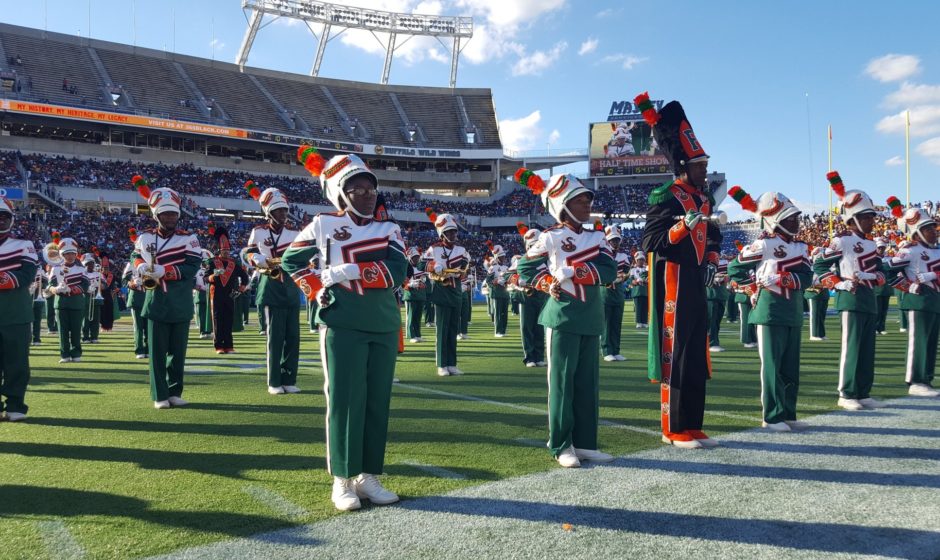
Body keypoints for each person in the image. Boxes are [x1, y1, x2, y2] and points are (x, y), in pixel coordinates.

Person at [281, 151, 407, 512]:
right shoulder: (322, 224)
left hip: (382, 323)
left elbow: (399, 269)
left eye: (370, 188)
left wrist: (350, 270)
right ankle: (342, 478)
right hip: (341, 322)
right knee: (343, 401)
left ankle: (368, 475)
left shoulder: (390, 229)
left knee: (376, 402)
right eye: (357, 189)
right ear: (340, 193)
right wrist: (316, 285)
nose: (368, 194)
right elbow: (291, 260)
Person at [636, 92, 722, 449]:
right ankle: (673, 427)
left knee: (697, 355)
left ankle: (694, 423)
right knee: (677, 354)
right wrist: (681, 228)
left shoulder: (704, 199)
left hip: (697, 280)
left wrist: (713, 264)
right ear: (684, 166)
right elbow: (649, 241)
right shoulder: (665, 196)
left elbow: (714, 236)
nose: (705, 170)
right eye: (700, 165)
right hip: (671, 283)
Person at [516, 170, 617, 468]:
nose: (587, 204)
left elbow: (610, 271)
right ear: (563, 205)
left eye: (588, 199)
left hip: (590, 317)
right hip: (561, 317)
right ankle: (560, 444)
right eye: (580, 199)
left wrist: (575, 272)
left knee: (588, 384)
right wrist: (547, 282)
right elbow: (524, 268)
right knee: (561, 383)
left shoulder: (597, 236)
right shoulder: (550, 237)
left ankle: (585, 443)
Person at [728, 188, 813, 432]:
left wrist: (784, 278)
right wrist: (752, 288)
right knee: (773, 366)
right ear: (776, 221)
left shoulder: (801, 247)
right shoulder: (762, 244)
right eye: (790, 218)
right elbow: (735, 269)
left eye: (796, 217)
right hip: (770, 310)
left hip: (793, 310)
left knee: (790, 367)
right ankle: (772, 416)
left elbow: (807, 278)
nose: (796, 221)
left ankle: (789, 413)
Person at [813, 172, 894, 411]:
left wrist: (874, 276)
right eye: (867, 217)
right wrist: (838, 283)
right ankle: (846, 392)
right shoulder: (841, 241)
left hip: (869, 298)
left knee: (868, 348)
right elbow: (820, 265)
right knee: (852, 346)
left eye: (871, 217)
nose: (872, 221)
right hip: (850, 298)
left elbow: (882, 273)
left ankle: (863, 391)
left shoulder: (871, 243)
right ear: (853, 218)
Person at [130, 176, 202, 409]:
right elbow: (135, 255)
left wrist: (166, 270)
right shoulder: (145, 237)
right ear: (156, 216)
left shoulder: (189, 238)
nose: (170, 217)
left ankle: (175, 391)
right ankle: (159, 395)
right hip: (156, 301)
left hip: (180, 301)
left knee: (178, 353)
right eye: (165, 214)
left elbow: (192, 267)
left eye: (173, 214)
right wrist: (140, 264)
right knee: (157, 353)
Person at [245, 184, 302, 395]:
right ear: (269, 212)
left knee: (293, 338)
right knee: (275, 339)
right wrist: (255, 258)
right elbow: (246, 252)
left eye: (285, 210)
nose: (283, 214)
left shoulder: (295, 232)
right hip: (270, 287)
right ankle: (274, 381)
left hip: (290, 287)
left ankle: (289, 378)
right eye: (278, 210)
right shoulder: (258, 232)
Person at [887, 205, 940, 397]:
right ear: (916, 234)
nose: (933, 232)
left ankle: (926, 378)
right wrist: (909, 286)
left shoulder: (937, 250)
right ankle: (915, 381)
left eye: (933, 228)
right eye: (927, 229)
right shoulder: (910, 251)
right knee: (919, 341)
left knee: (931, 342)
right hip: (918, 302)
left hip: (935, 301)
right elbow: (888, 270)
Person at [0, 198, 38, 421]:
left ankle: (15, 405)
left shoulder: (23, 245)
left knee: (17, 364)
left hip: (16, 314)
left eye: (5, 217)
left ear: (12, 220)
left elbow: (27, 275)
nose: (1, 221)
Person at [420, 208, 469, 376]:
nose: (453, 235)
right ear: (442, 234)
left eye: (454, 231)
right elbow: (421, 265)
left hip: (456, 290)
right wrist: (434, 266)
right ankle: (442, 364)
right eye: (449, 232)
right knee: (442, 330)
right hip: (441, 290)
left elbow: (465, 268)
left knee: (453, 330)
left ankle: (452, 364)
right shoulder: (433, 249)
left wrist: (462, 270)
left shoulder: (461, 250)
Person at [207, 226, 248, 354]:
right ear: (220, 250)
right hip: (217, 294)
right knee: (218, 321)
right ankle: (219, 346)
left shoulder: (233, 263)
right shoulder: (213, 262)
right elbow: (205, 277)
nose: (226, 252)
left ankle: (229, 345)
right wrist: (214, 276)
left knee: (229, 320)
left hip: (230, 295)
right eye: (224, 250)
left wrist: (241, 288)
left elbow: (244, 276)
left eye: (228, 250)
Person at [512, 224, 546, 367]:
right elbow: (508, 275)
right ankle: (529, 357)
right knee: (527, 328)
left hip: (542, 296)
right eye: (532, 245)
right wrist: (518, 281)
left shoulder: (546, 261)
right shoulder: (520, 259)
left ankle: (539, 356)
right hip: (526, 297)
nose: (534, 248)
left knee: (540, 328)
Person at [51, 237, 88, 363]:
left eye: (72, 253)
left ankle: (76, 353)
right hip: (61, 303)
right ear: (62, 255)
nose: (70, 256)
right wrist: (56, 289)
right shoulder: (55, 269)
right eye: (67, 254)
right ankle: (64, 354)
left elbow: (85, 285)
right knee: (63, 331)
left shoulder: (82, 269)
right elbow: (49, 286)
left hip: (76, 303)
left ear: (76, 254)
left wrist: (71, 290)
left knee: (76, 330)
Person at [601, 225, 629, 362]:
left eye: (617, 240)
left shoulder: (623, 256)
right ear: (607, 241)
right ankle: (607, 350)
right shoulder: (602, 255)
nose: (615, 242)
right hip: (605, 292)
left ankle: (616, 350)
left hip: (618, 292)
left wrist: (623, 277)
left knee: (617, 323)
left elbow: (626, 272)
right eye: (612, 240)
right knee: (607, 322)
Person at [122, 240, 149, 359]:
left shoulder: (152, 262)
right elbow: (123, 280)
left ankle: (149, 349)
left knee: (149, 326)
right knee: (138, 326)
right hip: (136, 297)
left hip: (149, 296)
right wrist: (131, 283)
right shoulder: (131, 264)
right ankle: (139, 350)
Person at [804, 246, 829, 341]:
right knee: (814, 314)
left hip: (824, 291)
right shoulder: (809, 266)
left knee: (822, 314)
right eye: (818, 255)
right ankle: (814, 334)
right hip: (813, 292)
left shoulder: (826, 266)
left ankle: (821, 334)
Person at [403, 247, 427, 343]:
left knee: (418, 317)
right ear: (409, 258)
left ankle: (418, 334)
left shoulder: (421, 267)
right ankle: (411, 335)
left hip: (420, 295)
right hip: (410, 295)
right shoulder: (406, 267)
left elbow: (425, 279)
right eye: (414, 257)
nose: (416, 259)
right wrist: (411, 284)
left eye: (417, 257)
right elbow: (403, 282)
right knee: (411, 316)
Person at [485, 242, 509, 338]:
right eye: (501, 257)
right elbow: (488, 281)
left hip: (505, 293)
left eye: (503, 256)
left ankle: (503, 330)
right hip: (497, 293)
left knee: (505, 313)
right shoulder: (492, 268)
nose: (503, 258)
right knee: (498, 313)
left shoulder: (507, 267)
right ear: (497, 258)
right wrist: (494, 283)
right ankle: (498, 331)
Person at [706, 257, 729, 353]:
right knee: (712, 322)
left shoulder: (723, 260)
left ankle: (713, 341)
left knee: (717, 322)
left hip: (721, 295)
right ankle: (712, 343)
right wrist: (715, 278)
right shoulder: (706, 260)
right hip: (711, 295)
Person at [80, 253, 102, 343]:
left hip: (96, 298)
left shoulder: (98, 274)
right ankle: (85, 337)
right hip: (85, 298)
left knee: (96, 319)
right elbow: (79, 286)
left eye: (91, 263)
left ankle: (94, 336)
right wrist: (86, 289)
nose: (90, 265)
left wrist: (98, 284)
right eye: (87, 264)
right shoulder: (82, 274)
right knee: (85, 318)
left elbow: (104, 285)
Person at [874, 238, 892, 335]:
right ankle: (876, 327)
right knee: (877, 309)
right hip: (877, 288)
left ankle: (882, 327)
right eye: (879, 247)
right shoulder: (872, 259)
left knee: (884, 309)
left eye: (883, 247)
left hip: (887, 288)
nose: (881, 249)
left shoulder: (889, 258)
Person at [98, 254, 118, 333]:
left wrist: (116, 291)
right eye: (104, 268)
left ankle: (109, 327)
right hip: (101, 295)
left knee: (109, 311)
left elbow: (116, 285)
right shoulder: (99, 275)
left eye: (107, 268)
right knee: (102, 312)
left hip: (109, 295)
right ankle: (103, 326)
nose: (105, 269)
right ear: (101, 269)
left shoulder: (112, 276)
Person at [628, 252, 649, 329]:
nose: (641, 261)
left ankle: (645, 322)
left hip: (646, 291)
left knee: (645, 307)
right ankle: (639, 322)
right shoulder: (633, 270)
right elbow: (630, 280)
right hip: (637, 291)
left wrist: (646, 280)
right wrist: (634, 281)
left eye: (642, 259)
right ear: (636, 260)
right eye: (639, 260)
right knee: (638, 307)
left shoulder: (647, 268)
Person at [29, 268, 46, 346]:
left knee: (37, 321)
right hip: (26, 298)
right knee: (26, 321)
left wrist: (41, 285)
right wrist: (31, 285)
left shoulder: (41, 271)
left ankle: (36, 339)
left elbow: (46, 283)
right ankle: (28, 339)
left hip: (38, 299)